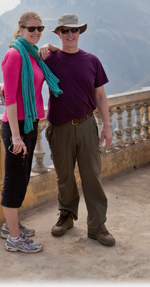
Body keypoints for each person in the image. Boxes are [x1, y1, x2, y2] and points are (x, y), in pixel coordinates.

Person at [39, 13, 115, 247]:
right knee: (64, 176)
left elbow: (100, 95)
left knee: (92, 175)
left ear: (80, 32)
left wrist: (107, 126)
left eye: (74, 30)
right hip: (59, 127)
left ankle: (97, 225)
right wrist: (3, 85)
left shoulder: (92, 60)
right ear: (59, 33)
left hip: (86, 125)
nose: (70, 34)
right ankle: (67, 215)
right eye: (65, 31)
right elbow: (24, 71)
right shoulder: (49, 59)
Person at [0, 11, 63, 254]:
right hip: (18, 126)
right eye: (31, 28)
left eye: (40, 28)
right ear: (21, 29)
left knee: (23, 178)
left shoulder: (33, 54)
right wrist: (15, 137)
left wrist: (48, 45)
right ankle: (14, 239)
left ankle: (10, 226)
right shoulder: (15, 55)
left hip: (31, 122)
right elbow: (12, 99)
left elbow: (60, 52)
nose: (36, 32)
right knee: (14, 180)